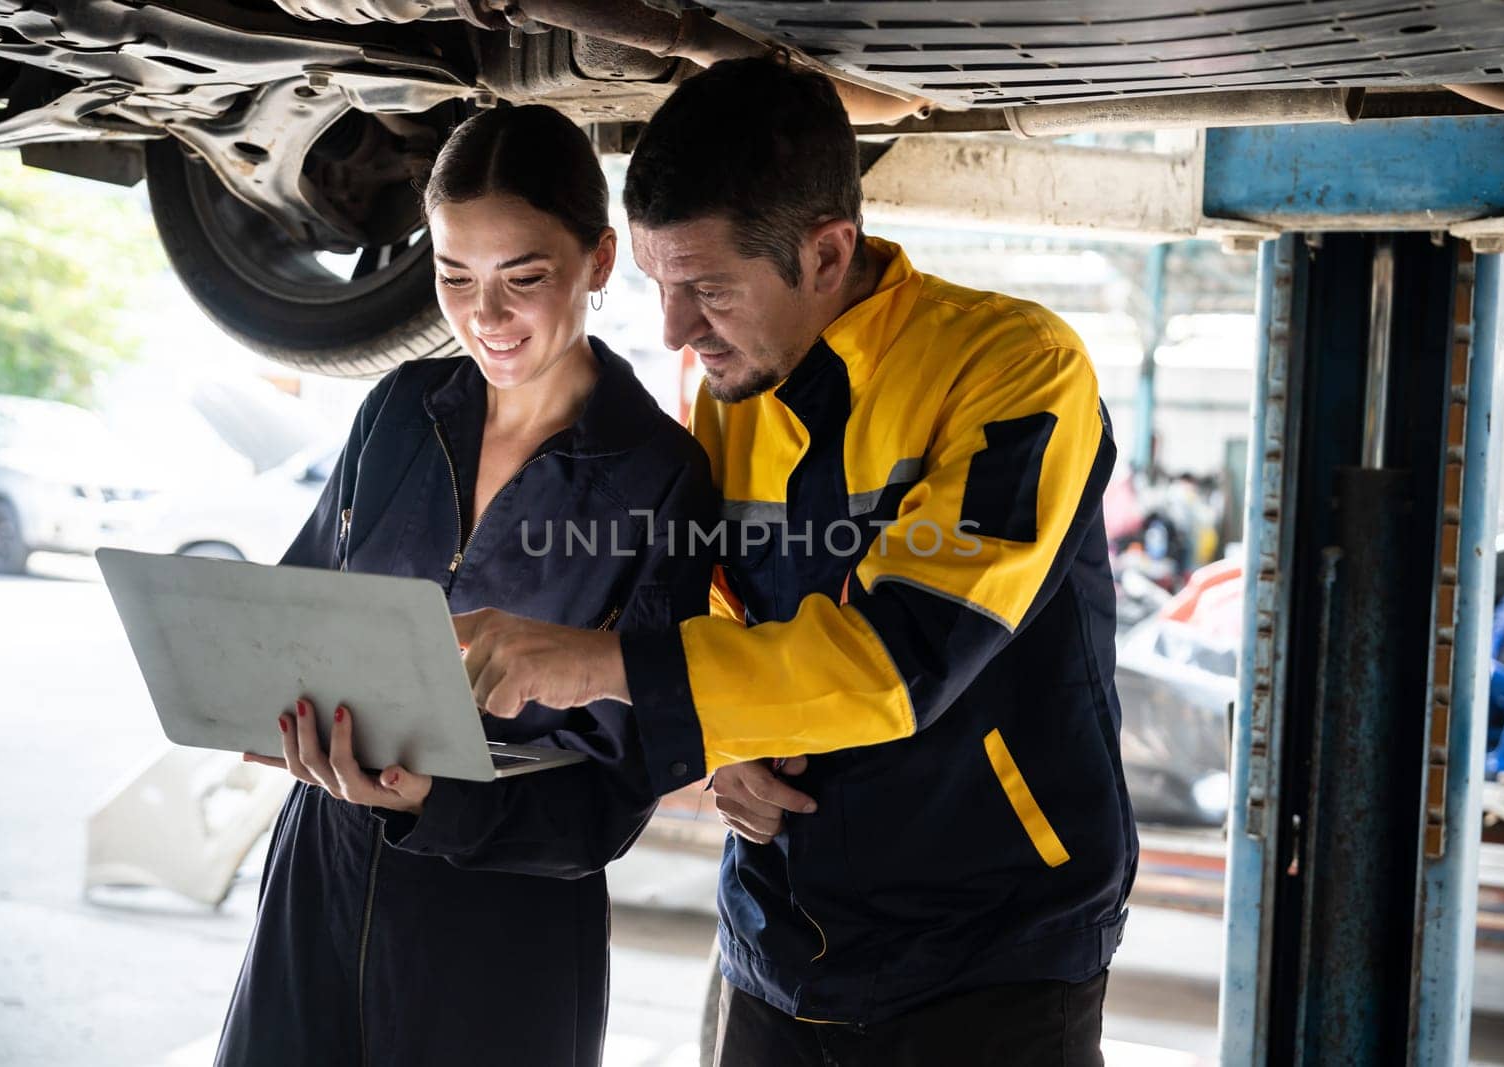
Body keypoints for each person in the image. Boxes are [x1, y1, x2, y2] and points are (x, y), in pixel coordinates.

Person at [460, 58, 1138, 1066]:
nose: (676, 330)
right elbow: (732, 618)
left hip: (990, 954)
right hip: (779, 942)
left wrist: (591, 662)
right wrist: (727, 747)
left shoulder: (1012, 371)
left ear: (826, 253)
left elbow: (900, 657)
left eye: (709, 291)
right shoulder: (734, 390)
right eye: (657, 285)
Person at [214, 104, 716, 1066]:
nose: (483, 317)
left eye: (522, 279)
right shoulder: (398, 411)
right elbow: (299, 613)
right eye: (453, 277)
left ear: (600, 261)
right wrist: (254, 697)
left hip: (500, 929)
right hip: (322, 879)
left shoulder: (659, 475)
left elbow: (618, 793)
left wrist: (434, 801)